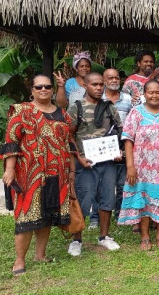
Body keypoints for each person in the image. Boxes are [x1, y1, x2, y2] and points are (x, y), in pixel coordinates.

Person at [0, 74, 76, 276]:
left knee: (47, 215)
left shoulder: (62, 114)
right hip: (29, 175)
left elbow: (68, 145)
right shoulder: (22, 111)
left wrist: (71, 172)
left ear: (52, 89)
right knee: (26, 218)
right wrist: (9, 169)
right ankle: (19, 261)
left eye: (47, 86)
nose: (43, 90)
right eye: (38, 87)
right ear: (32, 90)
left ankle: (40, 254)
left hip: (56, 174)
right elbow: (12, 141)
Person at [118, 80, 159, 250]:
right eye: (150, 92)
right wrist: (130, 166)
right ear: (144, 94)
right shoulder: (136, 113)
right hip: (142, 168)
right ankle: (145, 236)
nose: (154, 95)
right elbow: (128, 140)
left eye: (158, 92)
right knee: (144, 201)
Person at [67, 72, 122, 256]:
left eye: (101, 84)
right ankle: (77, 239)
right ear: (86, 86)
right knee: (84, 199)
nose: (98, 88)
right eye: (94, 84)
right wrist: (78, 157)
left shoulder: (109, 108)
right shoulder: (76, 108)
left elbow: (119, 132)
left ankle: (104, 236)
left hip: (107, 161)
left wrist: (118, 151)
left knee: (107, 198)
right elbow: (68, 135)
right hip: (86, 162)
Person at [101, 68, 132, 223]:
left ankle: (119, 214)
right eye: (110, 78)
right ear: (104, 80)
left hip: (122, 144)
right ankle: (95, 218)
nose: (114, 80)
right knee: (100, 183)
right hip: (100, 145)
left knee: (121, 182)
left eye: (117, 77)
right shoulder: (98, 97)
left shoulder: (128, 98)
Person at [122, 41, 159, 106]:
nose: (149, 64)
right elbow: (123, 99)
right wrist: (131, 99)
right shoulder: (130, 80)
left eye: (151, 62)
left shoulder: (157, 74)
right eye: (146, 61)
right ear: (138, 63)